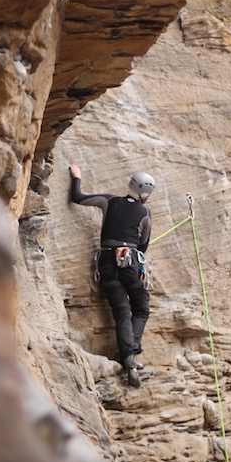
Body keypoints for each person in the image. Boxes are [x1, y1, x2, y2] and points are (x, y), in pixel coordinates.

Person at [69, 165, 155, 388]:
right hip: (130, 262)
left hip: (107, 262)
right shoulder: (145, 213)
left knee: (121, 311)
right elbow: (143, 245)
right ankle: (131, 354)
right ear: (145, 195)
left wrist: (76, 177)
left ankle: (130, 359)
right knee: (141, 307)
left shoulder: (108, 201)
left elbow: (77, 198)